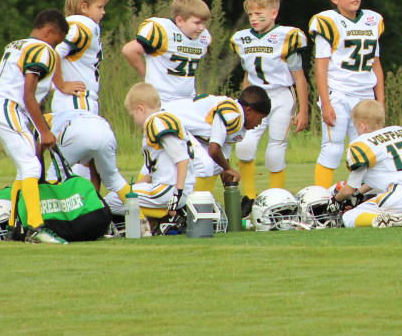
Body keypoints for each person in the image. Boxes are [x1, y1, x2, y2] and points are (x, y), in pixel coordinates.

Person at [0, 9, 69, 244]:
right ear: (49, 31)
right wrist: (44, 130)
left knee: (24, 168)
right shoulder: (42, 49)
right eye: (57, 40)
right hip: (10, 108)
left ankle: (15, 227)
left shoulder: (17, 44)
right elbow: (29, 94)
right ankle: (35, 226)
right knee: (32, 165)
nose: (56, 46)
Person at [308, 0, 385, 188]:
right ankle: (320, 198)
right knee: (333, 148)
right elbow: (320, 68)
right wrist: (326, 103)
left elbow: (376, 64)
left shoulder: (372, 20)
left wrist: (381, 101)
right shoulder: (327, 22)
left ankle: (361, 194)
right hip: (339, 93)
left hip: (365, 95)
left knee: (366, 149)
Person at [231, 0, 310, 197]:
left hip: (280, 95)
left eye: (259, 13)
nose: (253, 19)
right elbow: (247, 75)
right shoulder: (242, 39)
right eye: (250, 14)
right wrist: (243, 103)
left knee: (275, 152)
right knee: (244, 147)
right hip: (255, 98)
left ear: (274, 13)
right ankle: (249, 198)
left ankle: (276, 199)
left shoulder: (287, 37)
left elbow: (299, 78)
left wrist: (304, 110)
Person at [327, 100, 402, 228]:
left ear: (361, 126)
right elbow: (384, 174)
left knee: (349, 217)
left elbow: (350, 188)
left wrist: (336, 200)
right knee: (383, 201)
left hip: (398, 197)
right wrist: (359, 194)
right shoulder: (400, 132)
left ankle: (394, 219)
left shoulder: (363, 144)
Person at [166, 87, 271, 197]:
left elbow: (222, 158)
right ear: (249, 110)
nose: (260, 123)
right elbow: (214, 150)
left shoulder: (238, 123)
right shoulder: (232, 113)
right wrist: (228, 168)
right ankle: (194, 206)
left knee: (216, 166)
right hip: (167, 119)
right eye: (260, 118)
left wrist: (231, 187)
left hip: (177, 125)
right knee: (204, 165)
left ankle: (201, 206)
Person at [122, 82, 198, 229]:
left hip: (170, 188)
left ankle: (164, 218)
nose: (134, 120)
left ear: (140, 109)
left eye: (133, 116)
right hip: (172, 187)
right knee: (123, 193)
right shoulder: (162, 118)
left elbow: (182, 159)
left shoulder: (155, 121)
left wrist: (178, 193)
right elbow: (154, 172)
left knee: (114, 199)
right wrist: (130, 187)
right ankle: (165, 218)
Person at [121, 0, 213, 104]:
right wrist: (144, 74)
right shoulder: (164, 32)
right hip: (161, 99)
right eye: (197, 23)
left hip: (188, 100)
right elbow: (129, 50)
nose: (202, 27)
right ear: (180, 21)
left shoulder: (203, 37)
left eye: (204, 23)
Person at [47, 107, 131, 208]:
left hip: (78, 130)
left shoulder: (45, 120)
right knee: (114, 179)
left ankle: (51, 218)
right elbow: (93, 166)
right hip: (105, 131)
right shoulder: (70, 115)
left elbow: (37, 159)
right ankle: (141, 218)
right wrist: (95, 201)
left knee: (54, 174)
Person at [53, 0, 109, 114]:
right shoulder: (84, 25)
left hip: (66, 99)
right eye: (99, 7)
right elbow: (53, 54)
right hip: (78, 99)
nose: (103, 12)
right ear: (84, 7)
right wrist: (61, 85)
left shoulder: (68, 24)